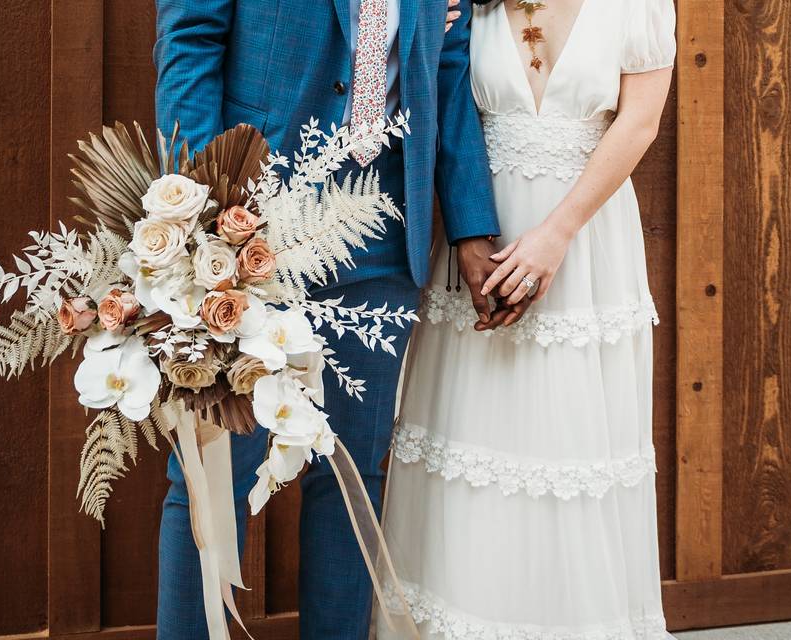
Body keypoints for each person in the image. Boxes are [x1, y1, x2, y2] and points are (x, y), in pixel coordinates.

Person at [152, 1, 529, 638]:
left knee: (353, 476)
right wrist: (200, 209)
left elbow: (449, 66)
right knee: (213, 477)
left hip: (382, 229)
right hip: (250, 227)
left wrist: (470, 225)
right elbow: (189, 42)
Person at [380, 0, 677, 637]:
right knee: (474, 435)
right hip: (483, 228)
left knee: (571, 446)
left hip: (586, 241)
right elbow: (442, 107)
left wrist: (556, 236)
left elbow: (639, 124)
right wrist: (467, 231)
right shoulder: (468, 5)